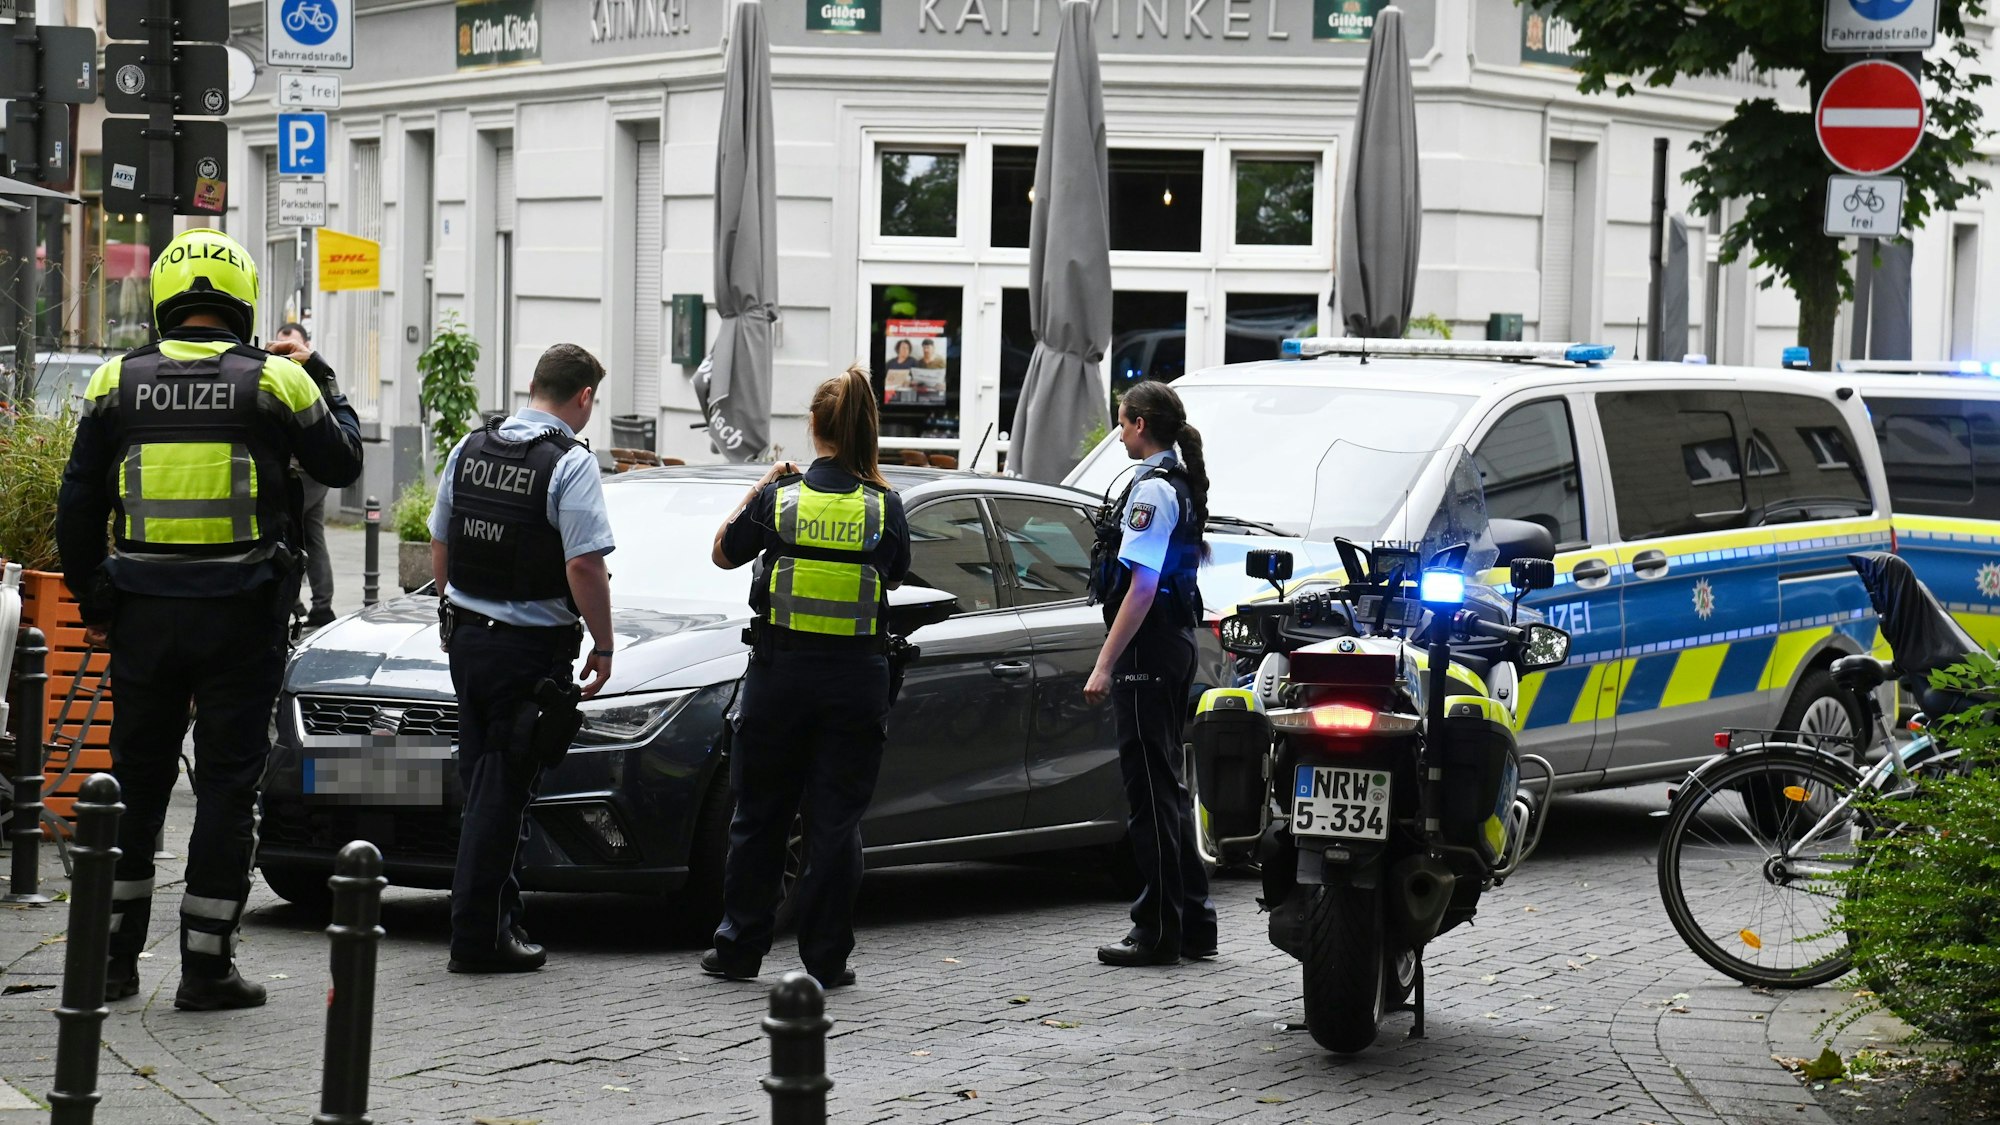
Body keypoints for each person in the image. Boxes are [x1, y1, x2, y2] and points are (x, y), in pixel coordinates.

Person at [56, 228, 364, 1010]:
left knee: (136, 785)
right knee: (228, 790)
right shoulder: (278, 384)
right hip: (242, 619)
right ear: (241, 303)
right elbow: (342, 462)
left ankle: (113, 963)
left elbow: (79, 507)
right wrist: (321, 377)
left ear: (165, 298)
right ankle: (205, 967)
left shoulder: (112, 383)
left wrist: (95, 601)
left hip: (143, 620)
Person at [703, 364, 911, 990]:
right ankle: (825, 958)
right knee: (835, 824)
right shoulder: (884, 506)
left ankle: (739, 948)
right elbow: (895, 576)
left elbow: (721, 551)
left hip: (779, 679)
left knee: (760, 815)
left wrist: (761, 484)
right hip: (854, 683)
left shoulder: (781, 499)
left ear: (815, 428)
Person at [429, 343, 616, 974]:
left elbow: (441, 538)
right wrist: (606, 642)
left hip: (469, 643)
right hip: (526, 652)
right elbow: (585, 564)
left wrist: (448, 614)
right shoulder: (569, 463)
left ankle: (498, 921)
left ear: (533, 384)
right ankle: (477, 938)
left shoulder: (471, 446)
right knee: (502, 795)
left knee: (482, 780)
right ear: (583, 396)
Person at [1083, 380, 1218, 967]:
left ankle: (1157, 929)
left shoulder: (1153, 493)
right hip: (1168, 644)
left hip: (1147, 648)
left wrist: (1104, 664)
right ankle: (1194, 923)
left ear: (1140, 423)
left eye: (1121, 420)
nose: (1118, 430)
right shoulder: (1173, 484)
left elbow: (1140, 587)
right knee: (1168, 789)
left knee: (1150, 796)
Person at [272, 321, 338, 629]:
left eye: (293, 349)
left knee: (289, 532)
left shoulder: (313, 375)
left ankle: (297, 602)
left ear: (306, 346)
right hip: (305, 470)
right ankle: (320, 606)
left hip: (308, 473)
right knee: (313, 536)